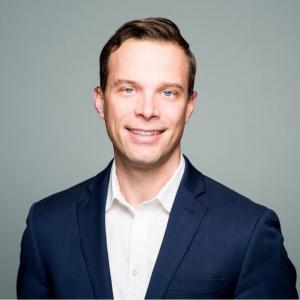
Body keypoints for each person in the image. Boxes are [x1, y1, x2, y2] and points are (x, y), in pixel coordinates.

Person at [17, 17, 298, 299]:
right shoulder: (47, 226)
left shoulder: (248, 231)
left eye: (167, 92)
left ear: (189, 106)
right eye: (128, 89)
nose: (148, 110)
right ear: (100, 102)